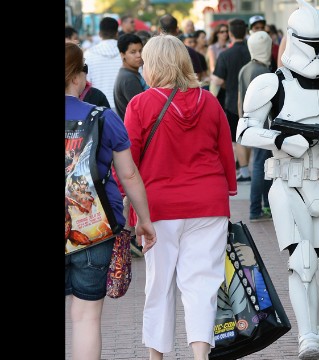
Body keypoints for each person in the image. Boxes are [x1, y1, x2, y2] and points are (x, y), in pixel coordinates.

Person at [236, 1, 319, 358]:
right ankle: (307, 334)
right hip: (288, 180)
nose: (314, 50)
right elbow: (244, 131)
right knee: (303, 261)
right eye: (307, 42)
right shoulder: (270, 83)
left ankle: (318, 327)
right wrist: (280, 140)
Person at [123, 34, 237, 360]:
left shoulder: (140, 104)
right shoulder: (209, 102)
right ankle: (200, 355)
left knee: (159, 285)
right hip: (208, 202)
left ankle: (156, 357)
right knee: (202, 285)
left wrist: (127, 201)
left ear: (153, 64)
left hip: (157, 206)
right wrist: (229, 188)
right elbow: (224, 152)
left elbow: (128, 159)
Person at [65, 42, 156, 360]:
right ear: (78, 76)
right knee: (86, 317)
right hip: (94, 228)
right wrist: (143, 220)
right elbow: (128, 175)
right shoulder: (103, 118)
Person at [237, 31, 274, 222]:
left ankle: (264, 206)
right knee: (261, 165)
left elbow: (239, 98)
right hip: (263, 125)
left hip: (251, 123)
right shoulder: (264, 72)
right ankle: (256, 209)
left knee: (261, 165)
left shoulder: (246, 68)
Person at [211, 18, 252, 183]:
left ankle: (245, 172)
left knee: (238, 138)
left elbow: (218, 80)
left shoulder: (225, 54)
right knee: (250, 135)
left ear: (229, 33)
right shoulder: (252, 51)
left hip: (233, 102)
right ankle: (247, 169)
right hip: (254, 100)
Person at [113, 33, 145, 120]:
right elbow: (143, 109)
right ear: (122, 55)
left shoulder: (131, 73)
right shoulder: (128, 79)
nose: (139, 55)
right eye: (133, 52)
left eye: (140, 50)